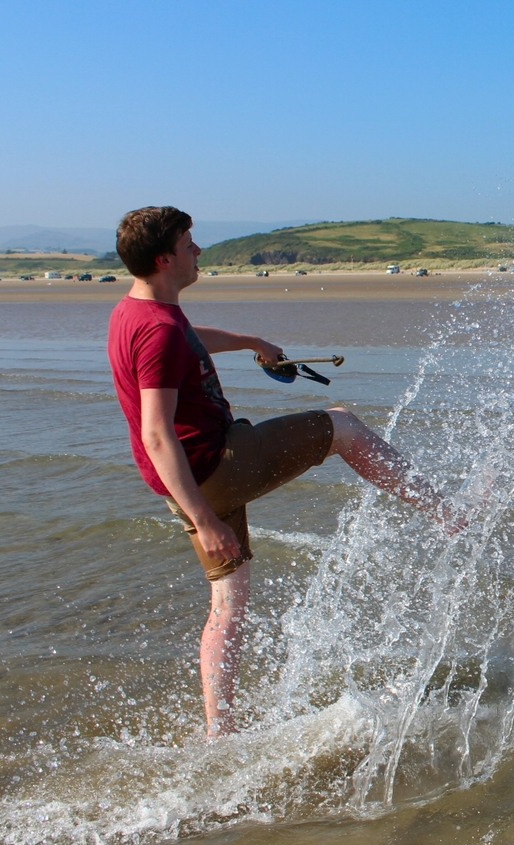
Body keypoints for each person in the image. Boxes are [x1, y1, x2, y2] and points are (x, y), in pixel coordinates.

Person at [107, 206, 460, 739]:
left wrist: (250, 342)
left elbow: (187, 337)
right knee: (343, 426)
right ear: (164, 259)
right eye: (188, 244)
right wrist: (207, 521)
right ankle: (450, 514)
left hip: (183, 482)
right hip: (213, 465)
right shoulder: (158, 330)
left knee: (228, 600)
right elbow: (157, 433)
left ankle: (218, 731)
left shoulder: (136, 312)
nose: (198, 251)